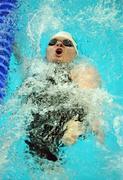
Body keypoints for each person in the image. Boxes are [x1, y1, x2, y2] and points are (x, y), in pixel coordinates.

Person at [14, 31, 104, 162]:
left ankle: (74, 126)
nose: (59, 44)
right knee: (40, 159)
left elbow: (90, 99)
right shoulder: (35, 68)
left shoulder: (81, 70)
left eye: (67, 43)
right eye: (53, 42)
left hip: (68, 114)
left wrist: (96, 127)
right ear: (47, 51)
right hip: (38, 119)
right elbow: (19, 56)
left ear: (75, 54)